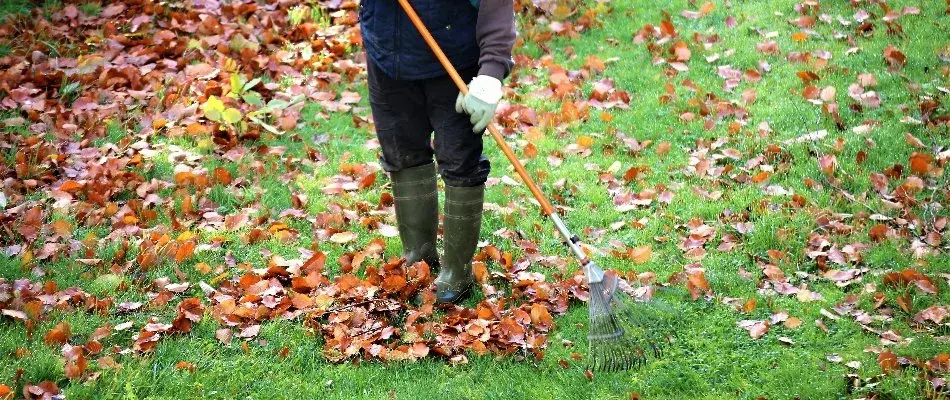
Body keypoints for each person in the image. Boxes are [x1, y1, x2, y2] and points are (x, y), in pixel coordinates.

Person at [358, 0, 516, 304]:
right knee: (402, 152)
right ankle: (419, 260)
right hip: (387, 52)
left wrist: (491, 74)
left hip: (453, 55)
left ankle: (457, 272)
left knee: (459, 160)